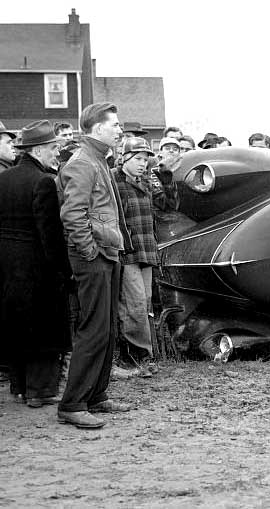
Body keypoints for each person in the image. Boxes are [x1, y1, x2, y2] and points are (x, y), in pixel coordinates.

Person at [57, 102, 131, 429]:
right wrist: (90, 253)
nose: (119, 129)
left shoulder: (97, 159)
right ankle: (72, 404)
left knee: (108, 328)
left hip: (107, 253)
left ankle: (96, 395)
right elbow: (73, 215)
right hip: (95, 256)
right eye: (114, 125)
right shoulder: (84, 163)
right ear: (97, 128)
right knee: (93, 330)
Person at [0, 120, 72, 407]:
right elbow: (50, 235)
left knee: (17, 325)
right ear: (39, 150)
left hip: (6, 266)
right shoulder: (43, 181)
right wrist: (64, 272)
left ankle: (19, 387)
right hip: (36, 266)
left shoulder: (3, 178)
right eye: (54, 148)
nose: (57, 154)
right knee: (43, 327)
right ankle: (40, 392)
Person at [113, 137, 178, 375]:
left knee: (144, 304)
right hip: (127, 251)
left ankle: (140, 357)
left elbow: (168, 206)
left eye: (145, 159)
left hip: (146, 250)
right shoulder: (113, 180)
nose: (143, 163)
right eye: (138, 159)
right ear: (125, 158)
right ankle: (135, 357)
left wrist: (168, 182)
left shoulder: (146, 181)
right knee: (135, 305)